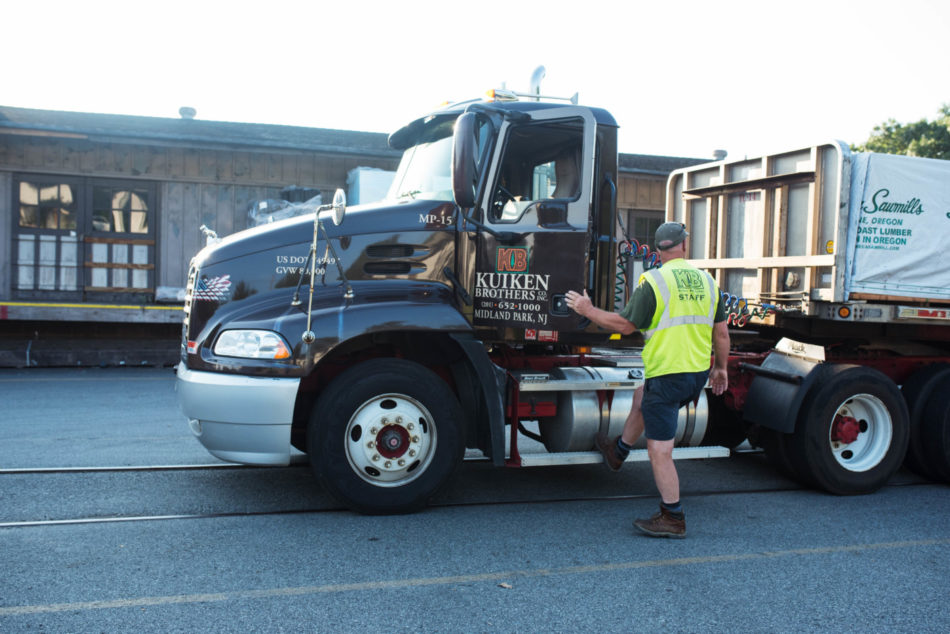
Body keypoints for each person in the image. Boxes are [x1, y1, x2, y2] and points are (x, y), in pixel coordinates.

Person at [564, 222, 729, 538]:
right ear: (684, 246)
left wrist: (586, 308)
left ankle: (673, 516)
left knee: (659, 450)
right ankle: (619, 452)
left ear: (657, 251)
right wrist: (720, 368)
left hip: (667, 374)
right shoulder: (707, 281)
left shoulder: (654, 281)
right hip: (693, 374)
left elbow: (624, 325)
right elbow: (721, 333)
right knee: (642, 395)